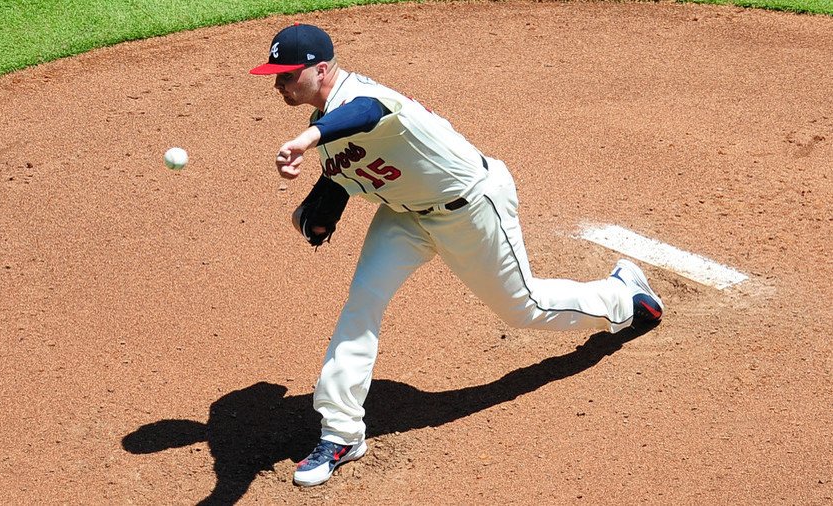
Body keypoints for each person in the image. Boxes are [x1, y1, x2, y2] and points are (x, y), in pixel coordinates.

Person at [249, 23, 665, 487]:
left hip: (470, 206)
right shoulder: (325, 127)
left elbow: (365, 116)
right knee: (362, 301)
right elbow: (343, 172)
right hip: (405, 217)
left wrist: (305, 142)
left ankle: (624, 297)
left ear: (320, 69)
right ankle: (341, 432)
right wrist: (318, 212)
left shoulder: (368, 97)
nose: (278, 84)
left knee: (525, 308)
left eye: (286, 74)